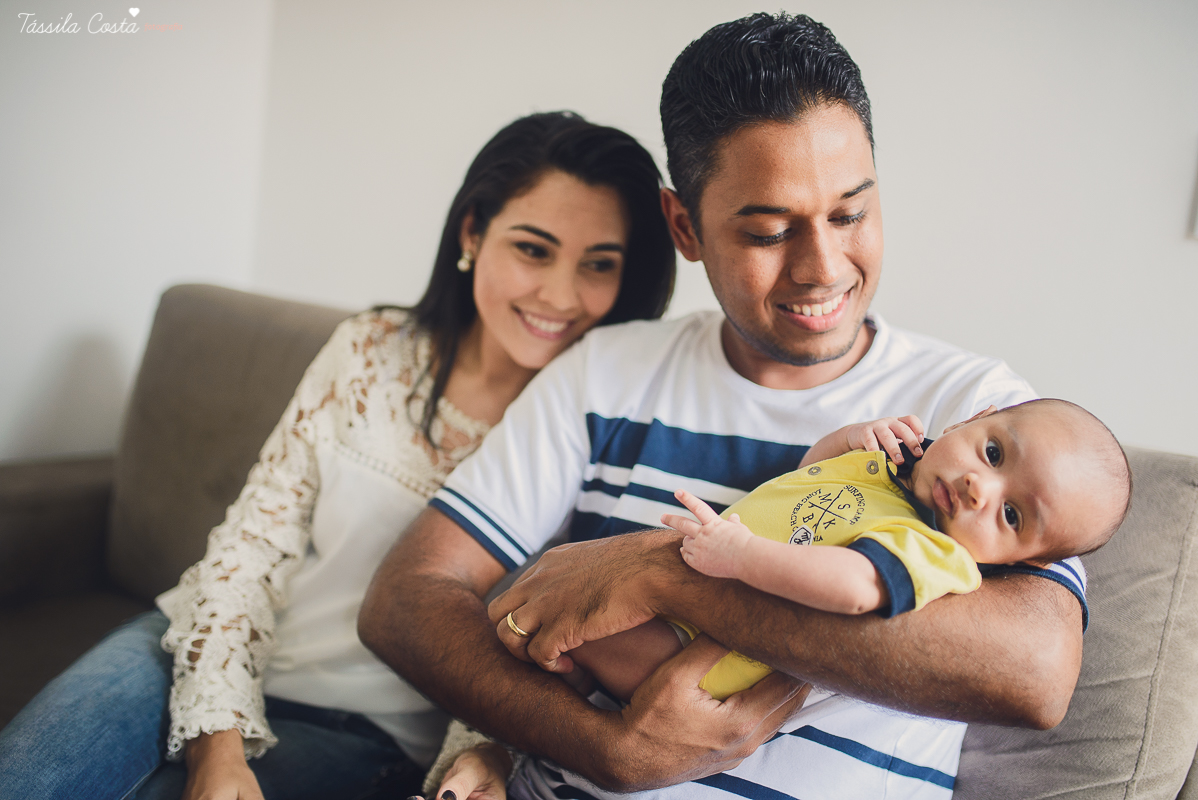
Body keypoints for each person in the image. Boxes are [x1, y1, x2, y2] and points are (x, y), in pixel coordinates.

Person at [360, 13, 1091, 800]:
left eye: (850, 214)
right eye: (770, 231)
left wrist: (667, 575)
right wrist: (607, 748)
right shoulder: (606, 372)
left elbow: (1036, 674)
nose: (822, 269)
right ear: (686, 227)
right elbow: (406, 600)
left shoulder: (983, 421)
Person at [0, 111, 676, 800]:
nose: (560, 295)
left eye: (599, 264)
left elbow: (554, 650)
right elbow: (251, 546)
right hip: (202, 653)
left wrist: (490, 752)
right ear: (472, 233)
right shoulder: (369, 349)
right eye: (534, 248)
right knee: (26, 778)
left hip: (369, 734)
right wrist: (218, 747)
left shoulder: (597, 433)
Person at [559, 400, 1131, 702]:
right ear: (977, 418)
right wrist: (853, 437)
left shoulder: (932, 550)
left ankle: (569, 674)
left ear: (1023, 563)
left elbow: (853, 587)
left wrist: (740, 556)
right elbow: (810, 474)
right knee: (581, 616)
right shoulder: (895, 459)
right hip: (703, 577)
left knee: (594, 636)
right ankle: (570, 680)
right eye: (993, 453)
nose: (980, 487)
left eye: (1011, 515)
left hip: (703, 646)